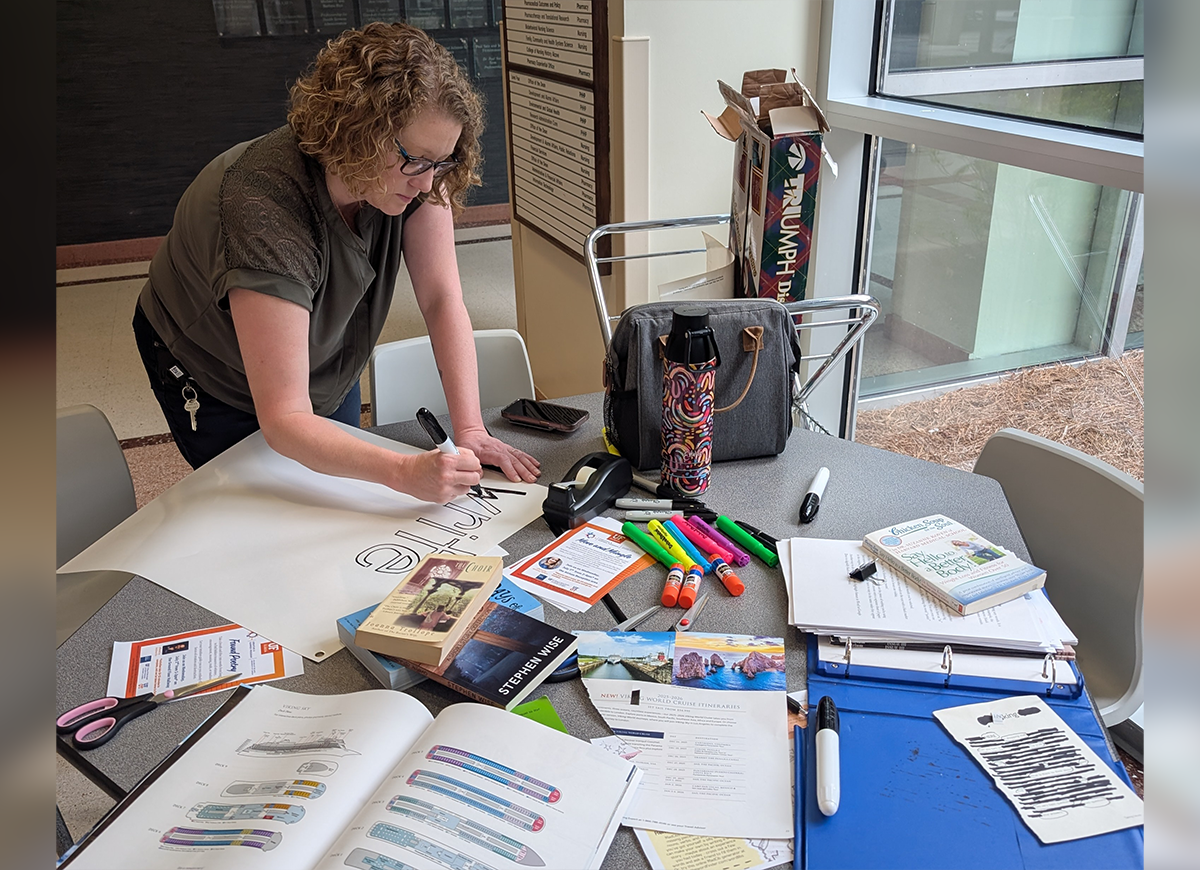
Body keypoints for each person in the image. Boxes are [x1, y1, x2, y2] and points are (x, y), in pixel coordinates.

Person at [132, 22, 539, 504]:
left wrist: (469, 427)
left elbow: (440, 297)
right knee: (267, 502)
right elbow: (285, 419)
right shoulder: (263, 205)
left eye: (442, 162)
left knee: (337, 479)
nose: (430, 184)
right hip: (212, 365)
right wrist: (404, 472)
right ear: (358, 134)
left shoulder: (414, 172)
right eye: (417, 161)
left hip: (322, 347)